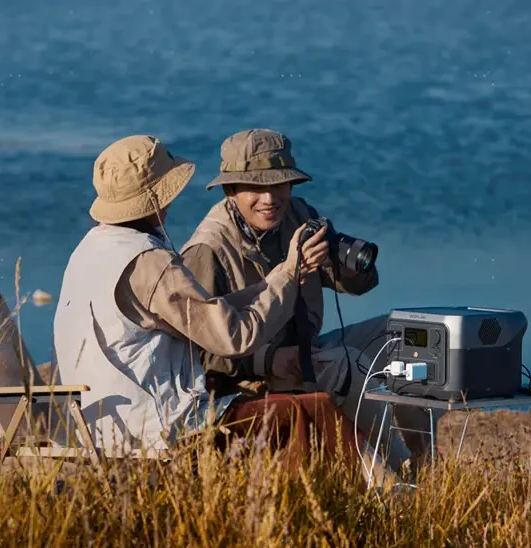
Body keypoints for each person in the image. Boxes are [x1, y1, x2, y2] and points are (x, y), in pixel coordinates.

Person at [52, 134, 371, 476]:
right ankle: (384, 500)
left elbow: (208, 311)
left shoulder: (92, 249)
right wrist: (290, 273)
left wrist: (281, 273)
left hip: (100, 425)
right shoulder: (150, 261)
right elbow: (233, 338)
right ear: (163, 194)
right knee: (311, 411)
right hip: (160, 431)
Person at [180, 128, 436, 471]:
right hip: (249, 374)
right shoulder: (208, 250)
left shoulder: (299, 216)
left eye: (279, 185)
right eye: (256, 187)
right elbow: (197, 354)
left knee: (409, 337)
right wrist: (269, 359)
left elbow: (360, 286)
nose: (269, 199)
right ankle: (397, 475)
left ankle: (425, 461)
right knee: (348, 364)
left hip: (304, 350)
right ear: (230, 190)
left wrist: (346, 264)